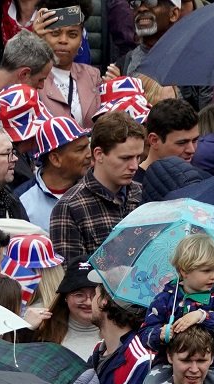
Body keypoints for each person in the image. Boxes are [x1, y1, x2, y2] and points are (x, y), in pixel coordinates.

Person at [49, 110, 145, 269]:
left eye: (138, 157)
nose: (134, 166)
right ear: (99, 154)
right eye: (126, 158)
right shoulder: (70, 207)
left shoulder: (142, 194)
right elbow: (71, 280)